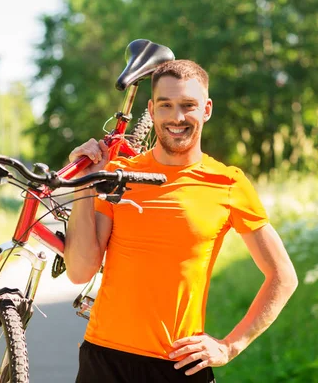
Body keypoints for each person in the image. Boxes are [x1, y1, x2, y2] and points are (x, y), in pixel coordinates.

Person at [64, 60, 298, 383]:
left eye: (188, 105)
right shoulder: (120, 173)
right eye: (166, 106)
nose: (177, 117)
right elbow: (79, 270)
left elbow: (283, 276)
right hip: (105, 360)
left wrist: (230, 346)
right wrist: (85, 184)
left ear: (207, 109)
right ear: (152, 109)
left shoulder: (228, 184)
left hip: (178, 367)